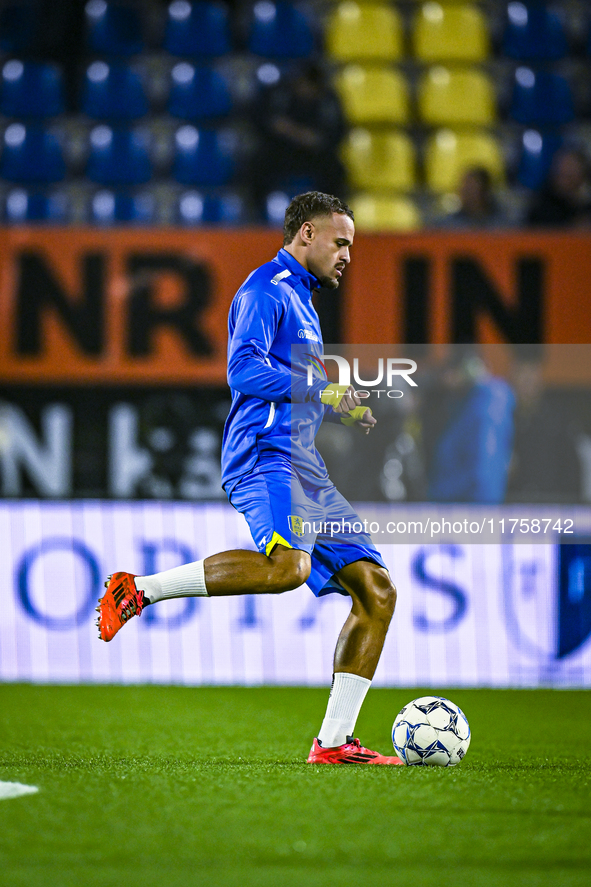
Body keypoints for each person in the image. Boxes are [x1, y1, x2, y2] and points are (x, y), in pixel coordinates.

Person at [97, 192, 402, 766]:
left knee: (377, 592)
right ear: (305, 234)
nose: (347, 256)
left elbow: (295, 381)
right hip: (266, 455)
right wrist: (326, 390)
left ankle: (333, 745)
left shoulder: (303, 300)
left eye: (352, 246)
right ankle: (136, 590)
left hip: (303, 462)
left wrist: (338, 405)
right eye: (340, 243)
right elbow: (243, 368)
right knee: (289, 567)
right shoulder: (266, 289)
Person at [526, 148, 591, 228]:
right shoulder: (542, 205)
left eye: (571, 172)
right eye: (562, 170)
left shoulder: (585, 205)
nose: (565, 171)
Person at [434, 167, 510, 229]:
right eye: (463, 187)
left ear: (485, 191)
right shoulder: (449, 225)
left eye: (470, 188)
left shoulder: (504, 225)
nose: (464, 192)